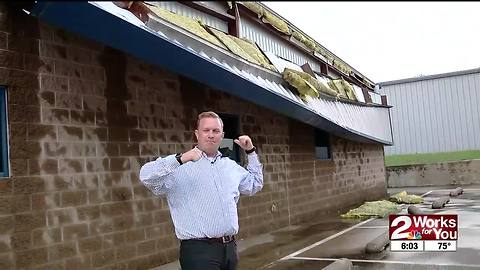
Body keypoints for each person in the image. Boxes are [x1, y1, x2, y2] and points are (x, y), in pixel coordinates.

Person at [139, 111, 264, 270]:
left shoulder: (230, 166)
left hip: (230, 249)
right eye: (206, 130)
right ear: (197, 134)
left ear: (222, 135)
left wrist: (251, 152)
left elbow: (255, 184)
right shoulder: (180, 167)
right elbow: (146, 176)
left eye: (215, 131)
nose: (211, 135)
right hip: (199, 252)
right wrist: (181, 158)